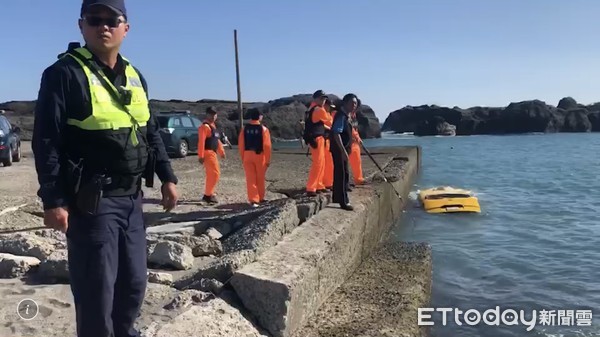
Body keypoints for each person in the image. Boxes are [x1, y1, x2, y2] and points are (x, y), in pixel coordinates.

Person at [31, 1, 179, 336]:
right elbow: (46, 141)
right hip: (91, 203)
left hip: (132, 200)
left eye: (112, 20)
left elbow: (149, 130)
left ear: (126, 27)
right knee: (97, 293)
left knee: (133, 286)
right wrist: (53, 200)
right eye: (94, 20)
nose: (103, 27)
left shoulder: (135, 75)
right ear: (81, 26)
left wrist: (168, 177)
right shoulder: (63, 74)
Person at [329, 93, 358, 211]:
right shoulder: (341, 116)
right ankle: (343, 201)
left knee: (341, 173)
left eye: (355, 103)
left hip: (343, 148)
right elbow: (336, 133)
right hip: (339, 149)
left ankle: (338, 197)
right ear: (345, 103)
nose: (354, 105)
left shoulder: (346, 116)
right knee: (342, 174)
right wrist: (342, 151)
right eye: (352, 103)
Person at [238, 109, 272, 207]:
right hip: (259, 155)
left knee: (250, 178)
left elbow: (241, 144)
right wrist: (268, 159)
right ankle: (261, 197)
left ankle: (253, 199)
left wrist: (243, 157)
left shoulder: (244, 129)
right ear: (259, 117)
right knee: (260, 178)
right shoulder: (264, 129)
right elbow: (267, 146)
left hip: (247, 155)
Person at [304, 90, 332, 196]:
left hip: (315, 138)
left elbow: (319, 123)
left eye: (324, 98)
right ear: (315, 99)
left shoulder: (311, 109)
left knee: (321, 163)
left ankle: (319, 185)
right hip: (317, 139)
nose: (323, 100)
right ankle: (311, 188)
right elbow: (329, 121)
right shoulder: (319, 110)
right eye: (321, 98)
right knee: (318, 163)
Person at [198, 106, 226, 204]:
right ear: (207, 114)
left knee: (211, 175)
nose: (213, 116)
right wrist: (200, 155)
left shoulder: (213, 127)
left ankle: (210, 193)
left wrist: (221, 151)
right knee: (215, 174)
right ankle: (207, 195)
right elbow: (201, 142)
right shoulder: (204, 127)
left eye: (214, 114)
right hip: (208, 153)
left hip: (213, 153)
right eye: (211, 114)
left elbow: (217, 140)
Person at [348, 105, 365, 186]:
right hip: (347, 142)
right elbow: (350, 128)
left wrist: (358, 138)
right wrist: (357, 137)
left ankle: (359, 179)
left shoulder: (354, 116)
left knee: (357, 161)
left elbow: (355, 129)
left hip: (355, 142)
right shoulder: (345, 115)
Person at [322, 100, 335, 190]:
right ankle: (324, 182)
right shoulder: (321, 113)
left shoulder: (329, 114)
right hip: (323, 139)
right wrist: (330, 129)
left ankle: (329, 182)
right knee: (324, 162)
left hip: (329, 140)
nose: (330, 108)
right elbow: (320, 124)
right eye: (329, 106)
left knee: (330, 162)